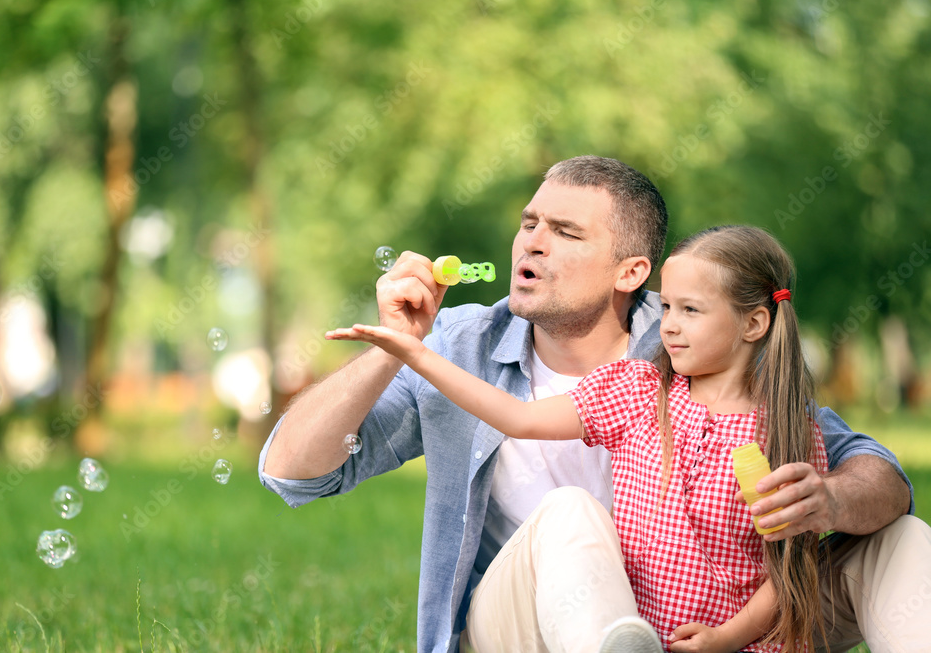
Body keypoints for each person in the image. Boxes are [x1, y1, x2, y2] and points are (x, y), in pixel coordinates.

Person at [259, 156, 923, 652]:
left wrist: (828, 501)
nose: (531, 242)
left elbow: (877, 474)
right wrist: (395, 346)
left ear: (631, 271)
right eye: (529, 223)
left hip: (712, 620)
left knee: (900, 540)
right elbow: (292, 472)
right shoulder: (457, 344)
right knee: (569, 513)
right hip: (527, 625)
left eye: (565, 231)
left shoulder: (694, 337)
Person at [328, 225, 828, 652]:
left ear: (755, 323)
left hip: (735, 643)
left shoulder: (785, 433)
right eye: (668, 307)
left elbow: (787, 568)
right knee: (570, 507)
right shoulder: (637, 390)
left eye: (690, 311)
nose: (670, 326)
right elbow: (517, 418)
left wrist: (725, 640)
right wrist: (417, 354)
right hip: (626, 630)